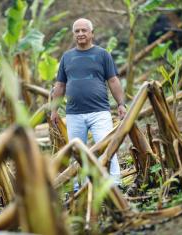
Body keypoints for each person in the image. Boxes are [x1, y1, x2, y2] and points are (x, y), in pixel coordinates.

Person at [51, 18, 126, 188]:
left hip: (99, 112)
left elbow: (113, 81)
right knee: (77, 153)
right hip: (73, 114)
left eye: (84, 30)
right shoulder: (67, 57)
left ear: (92, 33)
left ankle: (114, 183)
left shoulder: (102, 54)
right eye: (77, 31)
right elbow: (60, 85)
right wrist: (54, 110)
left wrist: (121, 104)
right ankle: (81, 187)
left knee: (107, 147)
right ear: (73, 35)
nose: (80, 34)